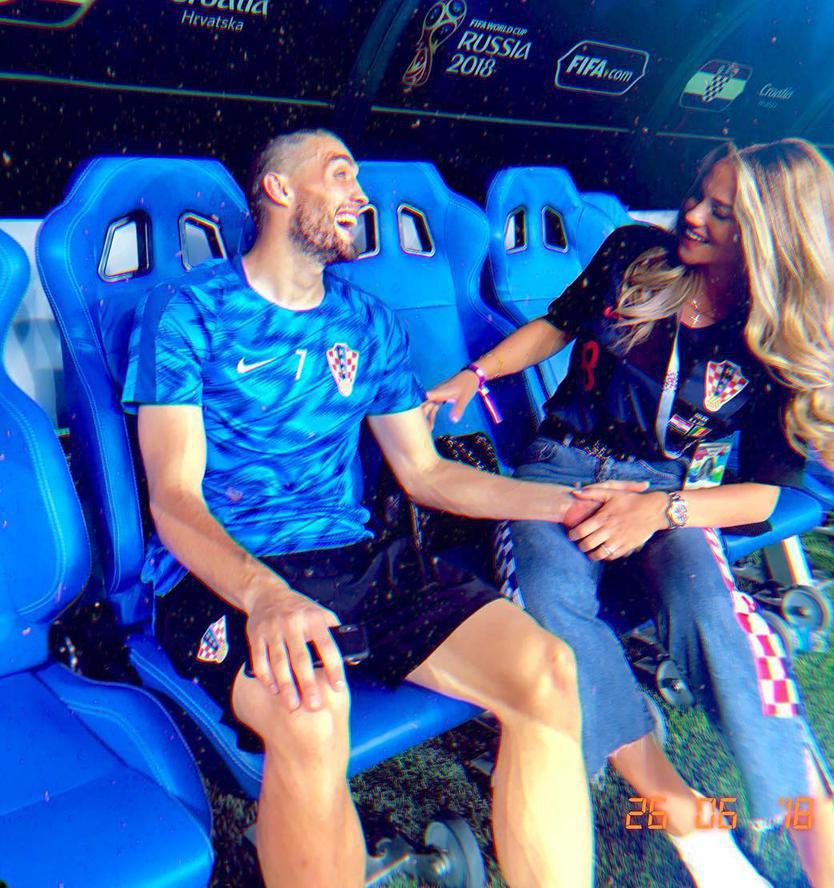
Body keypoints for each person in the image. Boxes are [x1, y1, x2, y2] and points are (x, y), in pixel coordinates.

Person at [122, 128, 598, 888]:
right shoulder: (187, 311)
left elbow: (426, 473)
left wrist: (569, 503)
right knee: (310, 715)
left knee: (547, 671)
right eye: (340, 175)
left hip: (353, 557)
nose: (361, 196)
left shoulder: (369, 321)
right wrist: (266, 596)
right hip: (226, 570)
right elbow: (174, 498)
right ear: (279, 189)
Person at [426, 139, 834, 888]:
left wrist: (660, 510)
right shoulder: (635, 252)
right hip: (557, 468)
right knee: (549, 614)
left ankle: (823, 853)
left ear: (769, 235)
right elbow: (559, 323)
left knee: (713, 608)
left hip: (669, 488)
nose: (691, 214)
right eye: (698, 193)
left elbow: (778, 493)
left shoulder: (771, 334)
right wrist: (478, 372)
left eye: (722, 212)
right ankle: (688, 821)